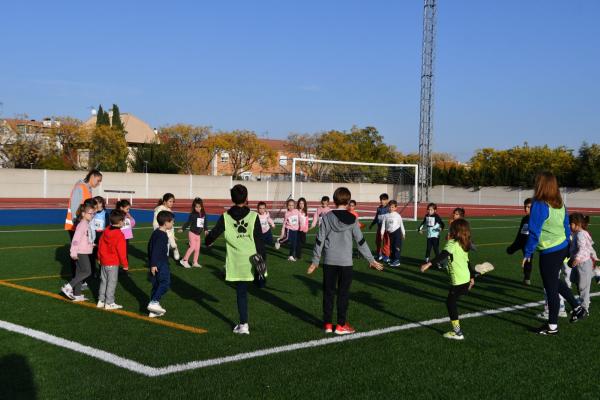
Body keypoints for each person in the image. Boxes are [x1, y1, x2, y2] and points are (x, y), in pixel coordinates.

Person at [308, 187, 383, 335]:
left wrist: (315, 261)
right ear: (348, 201)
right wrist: (371, 259)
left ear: (334, 200)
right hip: (346, 263)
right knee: (343, 294)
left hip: (329, 262)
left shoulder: (327, 217)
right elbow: (360, 242)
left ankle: (328, 324)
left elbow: (319, 240)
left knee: (328, 293)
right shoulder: (353, 218)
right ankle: (341, 325)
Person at [523, 171, 586, 335]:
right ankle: (577, 307)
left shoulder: (539, 204)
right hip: (562, 247)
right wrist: (568, 245)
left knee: (550, 287)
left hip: (550, 251)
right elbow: (566, 226)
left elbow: (534, 232)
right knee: (555, 281)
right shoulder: (559, 203)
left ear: (541, 185)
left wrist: (528, 253)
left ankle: (552, 326)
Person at [205, 184, 266, 334]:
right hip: (252, 260)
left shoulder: (226, 217)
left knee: (241, 293)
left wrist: (207, 241)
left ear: (232, 198)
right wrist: (263, 263)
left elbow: (214, 234)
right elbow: (259, 242)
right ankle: (260, 281)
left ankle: (244, 324)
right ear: (246, 198)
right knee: (254, 285)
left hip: (236, 262)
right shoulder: (253, 216)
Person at [420, 219, 475, 340]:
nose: (449, 230)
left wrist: (429, 264)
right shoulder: (464, 243)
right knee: (457, 295)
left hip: (458, 280)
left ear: (456, 231)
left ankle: (458, 332)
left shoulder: (453, 243)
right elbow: (467, 261)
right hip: (465, 278)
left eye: (451, 229)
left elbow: (443, 255)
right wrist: (472, 276)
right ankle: (466, 289)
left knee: (450, 303)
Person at [64, 170, 102, 276]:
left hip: (82, 225)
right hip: (75, 226)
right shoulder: (80, 187)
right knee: (77, 252)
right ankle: (76, 280)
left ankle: (81, 278)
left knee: (83, 250)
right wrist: (78, 225)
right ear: (92, 176)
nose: (98, 184)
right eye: (98, 181)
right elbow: (75, 207)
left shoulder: (87, 188)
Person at [61, 203, 96, 301]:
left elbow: (84, 238)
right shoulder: (83, 224)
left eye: (93, 214)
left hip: (82, 251)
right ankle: (68, 287)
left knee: (79, 273)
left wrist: (90, 244)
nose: (92, 215)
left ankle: (77, 294)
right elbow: (76, 239)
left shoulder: (86, 223)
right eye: (90, 213)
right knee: (87, 271)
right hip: (80, 252)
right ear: (83, 213)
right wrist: (73, 252)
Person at [97, 210, 128, 310]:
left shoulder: (106, 230)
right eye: (123, 221)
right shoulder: (119, 235)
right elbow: (121, 251)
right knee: (112, 282)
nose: (124, 222)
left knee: (104, 281)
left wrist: (99, 257)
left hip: (104, 262)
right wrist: (125, 264)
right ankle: (109, 302)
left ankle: (101, 300)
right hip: (113, 262)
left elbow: (100, 245)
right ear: (120, 222)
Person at [147, 210, 175, 318]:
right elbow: (155, 250)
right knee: (165, 283)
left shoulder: (156, 233)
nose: (173, 224)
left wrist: (151, 263)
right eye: (172, 222)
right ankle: (154, 302)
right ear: (166, 223)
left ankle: (153, 311)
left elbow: (150, 247)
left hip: (156, 263)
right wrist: (154, 264)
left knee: (156, 285)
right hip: (161, 263)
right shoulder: (162, 235)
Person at [568, 213, 597, 314]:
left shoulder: (580, 234)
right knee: (573, 279)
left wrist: (577, 258)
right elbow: (590, 246)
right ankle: (596, 273)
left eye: (570, 224)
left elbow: (584, 248)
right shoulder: (578, 233)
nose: (569, 226)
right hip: (580, 263)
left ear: (577, 224)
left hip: (583, 263)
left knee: (583, 287)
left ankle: (584, 308)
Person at [506, 198, 533, 285]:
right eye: (525, 207)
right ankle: (511, 248)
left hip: (528, 243)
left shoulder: (535, 219)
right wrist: (515, 242)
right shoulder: (524, 218)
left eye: (529, 207)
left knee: (528, 260)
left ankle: (527, 278)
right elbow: (520, 231)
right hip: (520, 241)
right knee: (509, 251)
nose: (526, 209)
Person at [178, 197, 207, 268]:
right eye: (196, 207)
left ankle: (195, 262)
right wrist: (182, 228)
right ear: (194, 207)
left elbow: (205, 223)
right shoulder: (193, 215)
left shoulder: (203, 214)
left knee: (197, 249)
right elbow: (188, 223)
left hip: (198, 235)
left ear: (202, 206)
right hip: (192, 233)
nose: (198, 208)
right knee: (192, 247)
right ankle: (184, 260)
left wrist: (206, 230)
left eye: (199, 207)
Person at [153, 193, 180, 260]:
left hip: (169, 232)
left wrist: (173, 235)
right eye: (170, 201)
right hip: (162, 231)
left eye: (173, 202)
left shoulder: (170, 211)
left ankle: (175, 249)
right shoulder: (159, 210)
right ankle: (164, 259)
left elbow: (172, 224)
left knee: (173, 245)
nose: (172, 203)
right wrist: (157, 231)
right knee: (164, 246)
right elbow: (155, 222)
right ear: (165, 202)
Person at [380, 200, 405, 267]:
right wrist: (382, 233)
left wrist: (403, 233)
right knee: (392, 247)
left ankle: (397, 261)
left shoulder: (398, 215)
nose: (391, 208)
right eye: (390, 207)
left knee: (397, 247)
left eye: (392, 207)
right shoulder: (386, 215)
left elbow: (401, 224)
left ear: (395, 208)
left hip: (397, 233)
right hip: (390, 234)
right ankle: (393, 259)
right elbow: (383, 225)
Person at [369, 193, 391, 262]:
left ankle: (386, 256)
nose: (382, 201)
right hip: (379, 229)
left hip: (386, 229)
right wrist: (372, 224)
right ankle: (379, 254)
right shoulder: (379, 208)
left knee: (386, 242)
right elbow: (376, 218)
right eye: (381, 199)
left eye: (384, 200)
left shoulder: (389, 209)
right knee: (377, 241)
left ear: (387, 200)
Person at [90, 196, 109, 278]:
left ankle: (102, 272)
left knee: (101, 256)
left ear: (102, 204)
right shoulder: (91, 213)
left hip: (101, 236)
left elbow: (107, 227)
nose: (97, 205)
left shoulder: (105, 214)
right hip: (92, 235)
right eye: (95, 203)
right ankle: (92, 272)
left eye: (99, 202)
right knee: (92, 255)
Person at [116, 199, 135, 272]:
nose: (128, 211)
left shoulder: (127, 216)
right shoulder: (117, 215)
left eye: (129, 209)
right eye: (127, 209)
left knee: (125, 253)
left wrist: (130, 218)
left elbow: (133, 224)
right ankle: (116, 267)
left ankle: (125, 268)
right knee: (118, 253)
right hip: (119, 238)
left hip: (126, 238)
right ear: (121, 208)